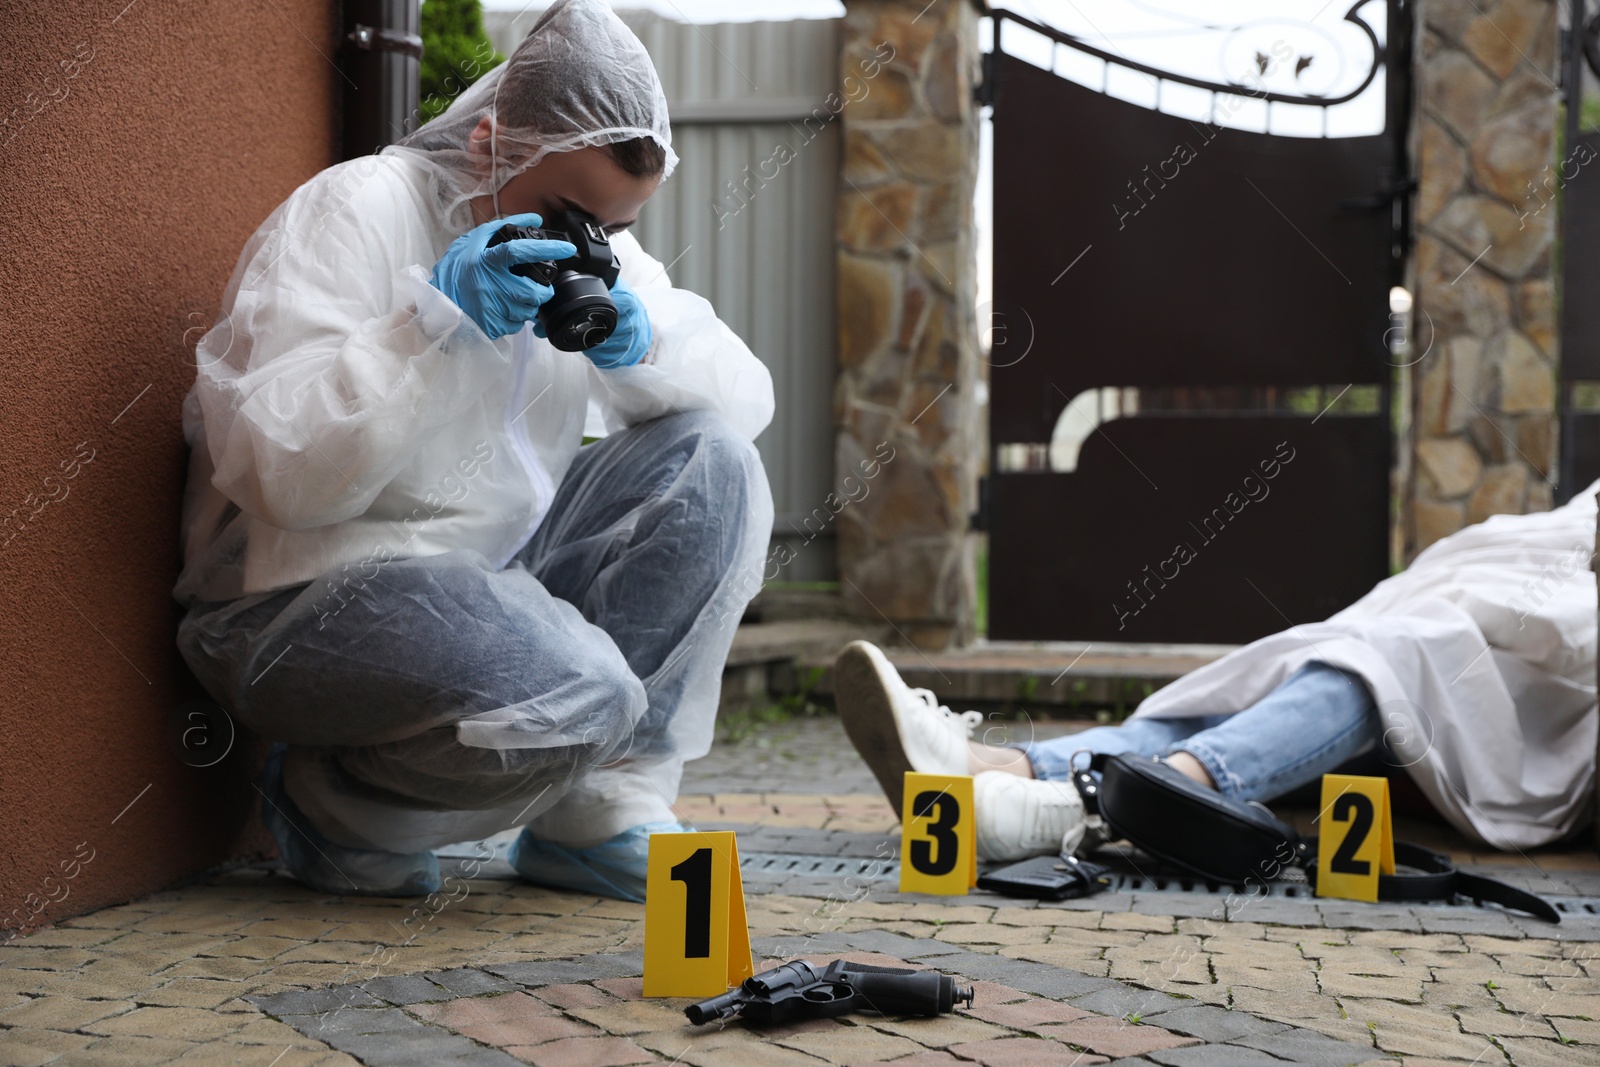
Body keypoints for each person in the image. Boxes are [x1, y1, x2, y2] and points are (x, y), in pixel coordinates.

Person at [171, 0, 774, 902]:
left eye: (608, 229)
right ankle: (338, 804)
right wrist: (429, 328)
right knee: (589, 691)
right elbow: (281, 474)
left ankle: (597, 812)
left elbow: (747, 402)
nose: (585, 246)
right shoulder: (355, 211)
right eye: (571, 214)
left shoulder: (582, 236)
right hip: (297, 600)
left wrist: (644, 345)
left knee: (712, 462)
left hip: (489, 583)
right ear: (492, 143)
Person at [839, 483, 1600, 862]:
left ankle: (1089, 806)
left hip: (1531, 729)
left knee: (1389, 659)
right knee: (1264, 692)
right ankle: (987, 765)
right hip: (1436, 716)